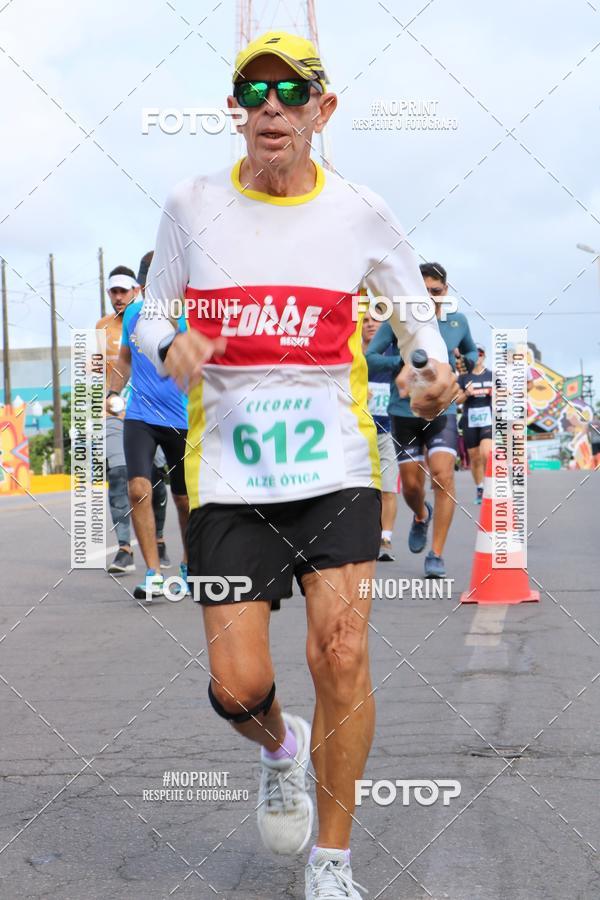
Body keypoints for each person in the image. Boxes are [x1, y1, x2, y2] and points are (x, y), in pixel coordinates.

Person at [136, 30, 456, 899]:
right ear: (237, 110)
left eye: (289, 92)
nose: (270, 107)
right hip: (230, 478)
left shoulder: (359, 209)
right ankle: (279, 745)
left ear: (324, 109)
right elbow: (147, 313)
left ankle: (333, 860)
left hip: (337, 469)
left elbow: (413, 323)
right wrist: (172, 344)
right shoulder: (191, 203)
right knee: (239, 688)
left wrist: (430, 373)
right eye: (253, 92)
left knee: (343, 651)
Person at [366, 262, 477, 578]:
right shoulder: (399, 320)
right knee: (412, 487)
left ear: (446, 291)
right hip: (404, 412)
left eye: (436, 291)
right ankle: (420, 514)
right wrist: (402, 361)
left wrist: (463, 363)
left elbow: (469, 354)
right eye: (424, 291)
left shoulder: (457, 322)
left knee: (443, 477)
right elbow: (370, 359)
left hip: (443, 410)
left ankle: (436, 555)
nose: (430, 298)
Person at [107, 291, 189, 599]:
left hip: (182, 417)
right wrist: (112, 392)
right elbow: (125, 359)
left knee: (184, 500)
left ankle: (189, 567)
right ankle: (153, 573)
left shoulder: (190, 313)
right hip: (140, 415)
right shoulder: (133, 314)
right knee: (138, 490)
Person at [98, 266, 170, 574]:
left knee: (155, 481)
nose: (117, 297)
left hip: (153, 412)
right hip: (116, 413)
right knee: (118, 475)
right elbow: (92, 372)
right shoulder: (101, 327)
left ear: (136, 291)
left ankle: (159, 538)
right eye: (113, 292)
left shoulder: (153, 320)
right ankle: (125, 549)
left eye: (122, 291)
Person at [362, 309, 399, 561]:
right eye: (365, 320)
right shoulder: (353, 354)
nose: (370, 325)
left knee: (388, 488)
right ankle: (367, 535)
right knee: (364, 491)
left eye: (375, 321)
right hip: (358, 431)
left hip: (388, 429)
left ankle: (385, 537)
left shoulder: (390, 354)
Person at [456, 345, 493, 503]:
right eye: (475, 353)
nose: (478, 356)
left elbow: (506, 396)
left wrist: (497, 393)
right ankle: (480, 487)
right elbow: (456, 400)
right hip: (469, 421)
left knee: (486, 454)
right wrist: (466, 393)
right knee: (475, 458)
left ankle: (489, 485)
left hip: (488, 420)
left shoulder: (492, 375)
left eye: (481, 353)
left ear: (484, 356)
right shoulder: (464, 377)